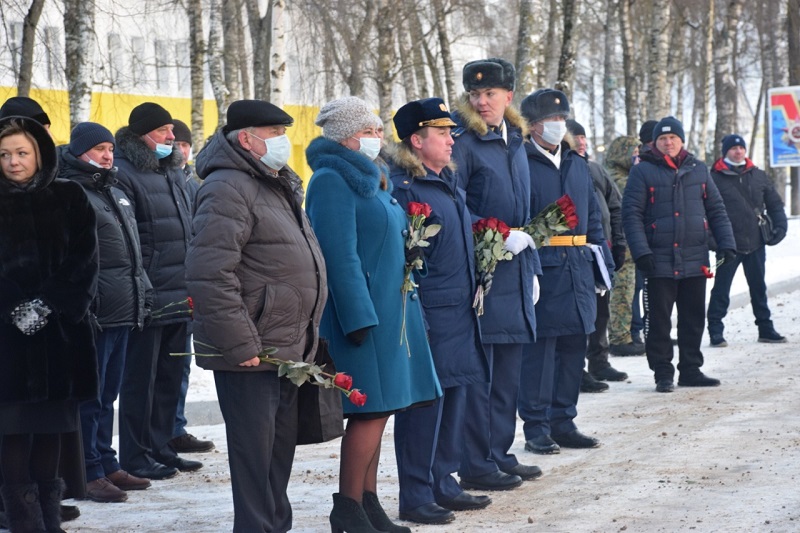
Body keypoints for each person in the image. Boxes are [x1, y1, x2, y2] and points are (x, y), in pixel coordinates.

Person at [186, 99, 327, 533]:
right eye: (274, 133)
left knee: (277, 451)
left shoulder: (274, 182)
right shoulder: (228, 186)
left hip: (285, 344)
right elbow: (209, 272)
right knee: (253, 456)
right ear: (246, 139)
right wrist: (240, 343)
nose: (283, 141)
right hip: (251, 350)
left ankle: (274, 525)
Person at [305, 96, 442, 533]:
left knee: (380, 411)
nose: (378, 137)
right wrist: (359, 317)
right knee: (368, 413)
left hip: (390, 312)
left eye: (379, 130)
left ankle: (367, 502)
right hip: (362, 320)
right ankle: (347, 508)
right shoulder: (331, 180)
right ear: (345, 136)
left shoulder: (372, 177)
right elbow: (338, 255)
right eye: (369, 131)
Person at [387, 98, 491, 526]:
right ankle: (415, 493)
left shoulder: (445, 183)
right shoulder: (404, 189)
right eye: (443, 132)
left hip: (459, 312)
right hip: (429, 314)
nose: (452, 139)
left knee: (454, 399)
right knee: (424, 407)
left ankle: (443, 481)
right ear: (417, 140)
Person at [0, 115, 99, 533]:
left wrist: (48, 305)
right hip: (6, 343)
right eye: (4, 154)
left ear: (39, 153)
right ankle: (25, 522)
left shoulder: (69, 197)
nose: (13, 162)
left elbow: (85, 260)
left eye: (22, 153)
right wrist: (12, 307)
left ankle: (50, 518)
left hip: (60, 337)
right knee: (13, 433)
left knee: (51, 433)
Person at [450, 57, 542, 492]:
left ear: (509, 97)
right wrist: (495, 235)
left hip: (517, 270)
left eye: (489, 94)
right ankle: (476, 461)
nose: (481, 101)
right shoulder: (464, 142)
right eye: (474, 94)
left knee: (509, 372)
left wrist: (531, 266)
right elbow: (453, 204)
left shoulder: (515, 140)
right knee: (482, 374)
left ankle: (500, 453)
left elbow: (524, 209)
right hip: (483, 271)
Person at [60, 122, 154, 504]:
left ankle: (105, 460)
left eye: (111, 148)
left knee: (107, 394)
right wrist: (88, 303)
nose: (107, 155)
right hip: (96, 313)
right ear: (80, 151)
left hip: (122, 309)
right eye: (99, 148)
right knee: (90, 396)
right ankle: (86, 471)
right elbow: (73, 258)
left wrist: (143, 293)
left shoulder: (113, 189)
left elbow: (132, 253)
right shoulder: (71, 192)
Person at [518, 90, 613, 455]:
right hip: (543, 264)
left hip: (578, 266)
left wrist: (601, 262)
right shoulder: (522, 161)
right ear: (533, 126)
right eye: (549, 120)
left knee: (575, 345)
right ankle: (537, 426)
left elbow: (593, 215)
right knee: (540, 353)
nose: (557, 126)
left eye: (561, 119)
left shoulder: (576, 162)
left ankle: (564, 420)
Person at [114, 102, 200, 479]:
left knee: (169, 377)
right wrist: (144, 288)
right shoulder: (126, 173)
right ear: (143, 134)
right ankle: (136, 455)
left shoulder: (173, 172)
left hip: (181, 290)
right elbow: (131, 239)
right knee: (140, 381)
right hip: (150, 294)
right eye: (164, 131)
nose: (171, 138)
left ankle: (164, 447)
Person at [622, 116, 736, 392]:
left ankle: (691, 369)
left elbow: (716, 209)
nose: (668, 142)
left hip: (695, 258)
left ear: (682, 140)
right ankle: (663, 372)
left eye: (673, 137)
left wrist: (726, 243)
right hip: (658, 259)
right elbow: (631, 215)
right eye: (663, 138)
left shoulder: (698, 169)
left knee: (693, 316)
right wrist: (641, 252)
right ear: (655, 143)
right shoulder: (643, 171)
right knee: (659, 320)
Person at [565, 119, 629, 392]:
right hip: (573, 250)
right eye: (574, 136)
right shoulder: (563, 171)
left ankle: (599, 360)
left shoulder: (595, 169)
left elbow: (615, 208)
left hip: (601, 251)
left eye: (583, 136)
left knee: (601, 311)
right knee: (578, 314)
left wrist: (619, 244)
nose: (580, 141)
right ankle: (575, 369)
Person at [706, 134, 788, 346]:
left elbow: (775, 204)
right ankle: (716, 330)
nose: (738, 151)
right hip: (728, 244)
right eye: (733, 148)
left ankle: (765, 328)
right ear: (726, 152)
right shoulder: (713, 178)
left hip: (756, 242)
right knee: (721, 290)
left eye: (741, 148)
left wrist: (781, 226)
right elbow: (703, 213)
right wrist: (713, 241)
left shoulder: (758, 175)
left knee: (758, 287)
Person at [167, 118, 214, 455]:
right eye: (177, 145)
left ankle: (176, 426)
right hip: (167, 284)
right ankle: (164, 433)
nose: (182, 151)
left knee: (182, 364)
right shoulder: (166, 180)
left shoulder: (194, 185)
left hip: (189, 283)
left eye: (186, 145)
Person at [605, 135, 647, 358]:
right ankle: (621, 338)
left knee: (628, 292)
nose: (636, 158)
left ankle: (626, 335)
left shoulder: (622, 176)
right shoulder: (620, 180)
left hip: (626, 247)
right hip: (623, 248)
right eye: (633, 153)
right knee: (622, 293)